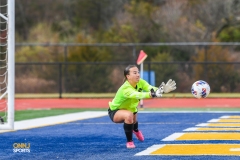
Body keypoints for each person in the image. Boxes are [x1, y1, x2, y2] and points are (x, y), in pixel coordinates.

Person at [108, 64, 176, 149]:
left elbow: (150, 88)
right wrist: (151, 94)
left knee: (133, 118)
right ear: (128, 76)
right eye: (135, 73)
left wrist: (161, 90)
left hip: (131, 109)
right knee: (129, 115)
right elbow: (137, 94)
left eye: (138, 72)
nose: (138, 75)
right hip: (115, 111)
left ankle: (136, 130)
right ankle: (129, 142)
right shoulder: (125, 88)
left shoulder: (141, 82)